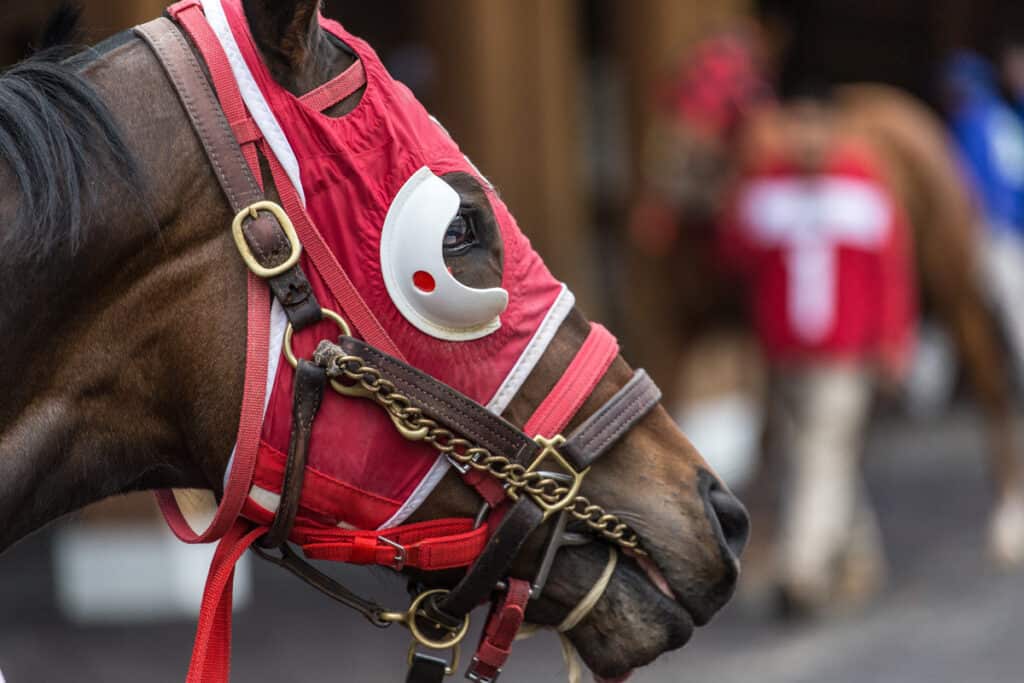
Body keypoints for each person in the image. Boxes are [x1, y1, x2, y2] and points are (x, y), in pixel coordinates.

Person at [719, 92, 917, 613]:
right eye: (796, 128)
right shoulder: (767, 187)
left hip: (846, 352)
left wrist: (895, 339)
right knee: (817, 455)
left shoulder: (863, 185)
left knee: (821, 452)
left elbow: (891, 272)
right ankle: (858, 559)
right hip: (785, 351)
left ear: (832, 131)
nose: (806, 140)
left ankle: (801, 569)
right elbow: (734, 255)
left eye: (815, 128)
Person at [942, 51, 1024, 387]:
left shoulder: (974, 122)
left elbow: (974, 184)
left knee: (1010, 308)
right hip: (1010, 228)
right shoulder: (1005, 116)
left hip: (995, 230)